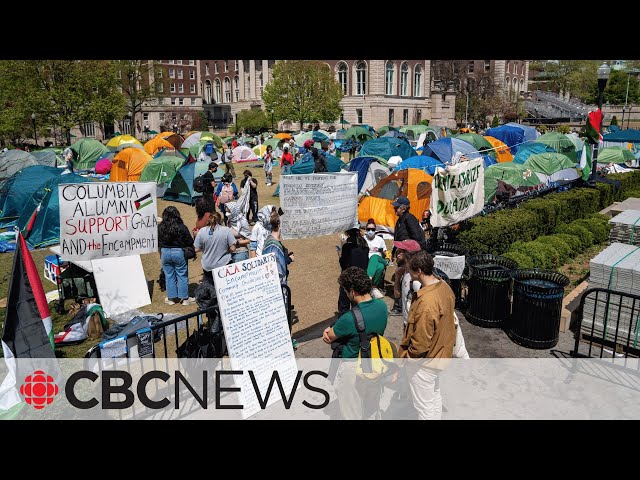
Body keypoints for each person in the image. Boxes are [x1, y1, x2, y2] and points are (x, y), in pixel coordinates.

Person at [322, 266, 388, 419]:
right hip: (375, 362)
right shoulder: (382, 306)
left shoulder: (348, 318)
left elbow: (329, 337)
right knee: (372, 408)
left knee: (352, 411)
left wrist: (327, 330)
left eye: (345, 291)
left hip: (353, 367)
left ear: (352, 291)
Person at [399, 250, 456, 420]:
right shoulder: (444, 286)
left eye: (410, 270)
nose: (408, 273)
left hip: (425, 362)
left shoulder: (426, 302)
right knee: (433, 397)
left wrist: (409, 358)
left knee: (423, 407)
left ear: (419, 271)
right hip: (440, 355)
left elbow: (421, 341)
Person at [390, 196, 426, 316]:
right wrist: (394, 250)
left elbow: (417, 237)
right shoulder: (400, 220)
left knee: (406, 279)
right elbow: (398, 237)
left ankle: (400, 306)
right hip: (402, 254)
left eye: (397, 207)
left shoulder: (409, 219)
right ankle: (400, 305)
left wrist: (411, 253)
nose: (395, 209)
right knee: (400, 277)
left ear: (403, 208)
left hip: (409, 255)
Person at [157, 206, 196, 306]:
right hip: (179, 253)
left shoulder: (160, 227)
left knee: (169, 276)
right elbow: (190, 241)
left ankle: (171, 299)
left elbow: (158, 241)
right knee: (182, 276)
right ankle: (185, 299)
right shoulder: (182, 227)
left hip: (165, 252)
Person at [194, 211, 238, 285]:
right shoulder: (226, 230)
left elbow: (196, 249)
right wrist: (226, 249)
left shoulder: (201, 231)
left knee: (210, 286)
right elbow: (233, 248)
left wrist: (205, 249)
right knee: (224, 285)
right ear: (220, 220)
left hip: (208, 265)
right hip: (223, 264)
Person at [337, 227, 370, 316]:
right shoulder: (365, 247)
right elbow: (366, 263)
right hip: (361, 279)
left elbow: (343, 264)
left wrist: (340, 255)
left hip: (348, 279)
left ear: (348, 233)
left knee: (344, 306)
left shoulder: (347, 247)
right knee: (358, 306)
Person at [392, 239, 422, 326]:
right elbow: (397, 295)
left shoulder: (416, 279)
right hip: (407, 324)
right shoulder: (405, 272)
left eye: (399, 252)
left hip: (415, 326)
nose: (396, 255)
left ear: (406, 254)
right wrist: (397, 278)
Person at [262, 211, 294, 286]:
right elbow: (274, 267)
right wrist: (289, 259)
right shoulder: (272, 245)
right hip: (277, 286)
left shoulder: (271, 239)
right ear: (279, 225)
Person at [364, 219, 387, 294]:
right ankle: (374, 287)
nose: (370, 231)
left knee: (374, 257)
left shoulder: (380, 240)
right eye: (368, 229)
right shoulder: (363, 239)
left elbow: (385, 255)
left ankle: (369, 278)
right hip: (368, 260)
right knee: (380, 267)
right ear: (366, 230)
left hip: (379, 258)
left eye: (372, 229)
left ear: (375, 230)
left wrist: (381, 252)